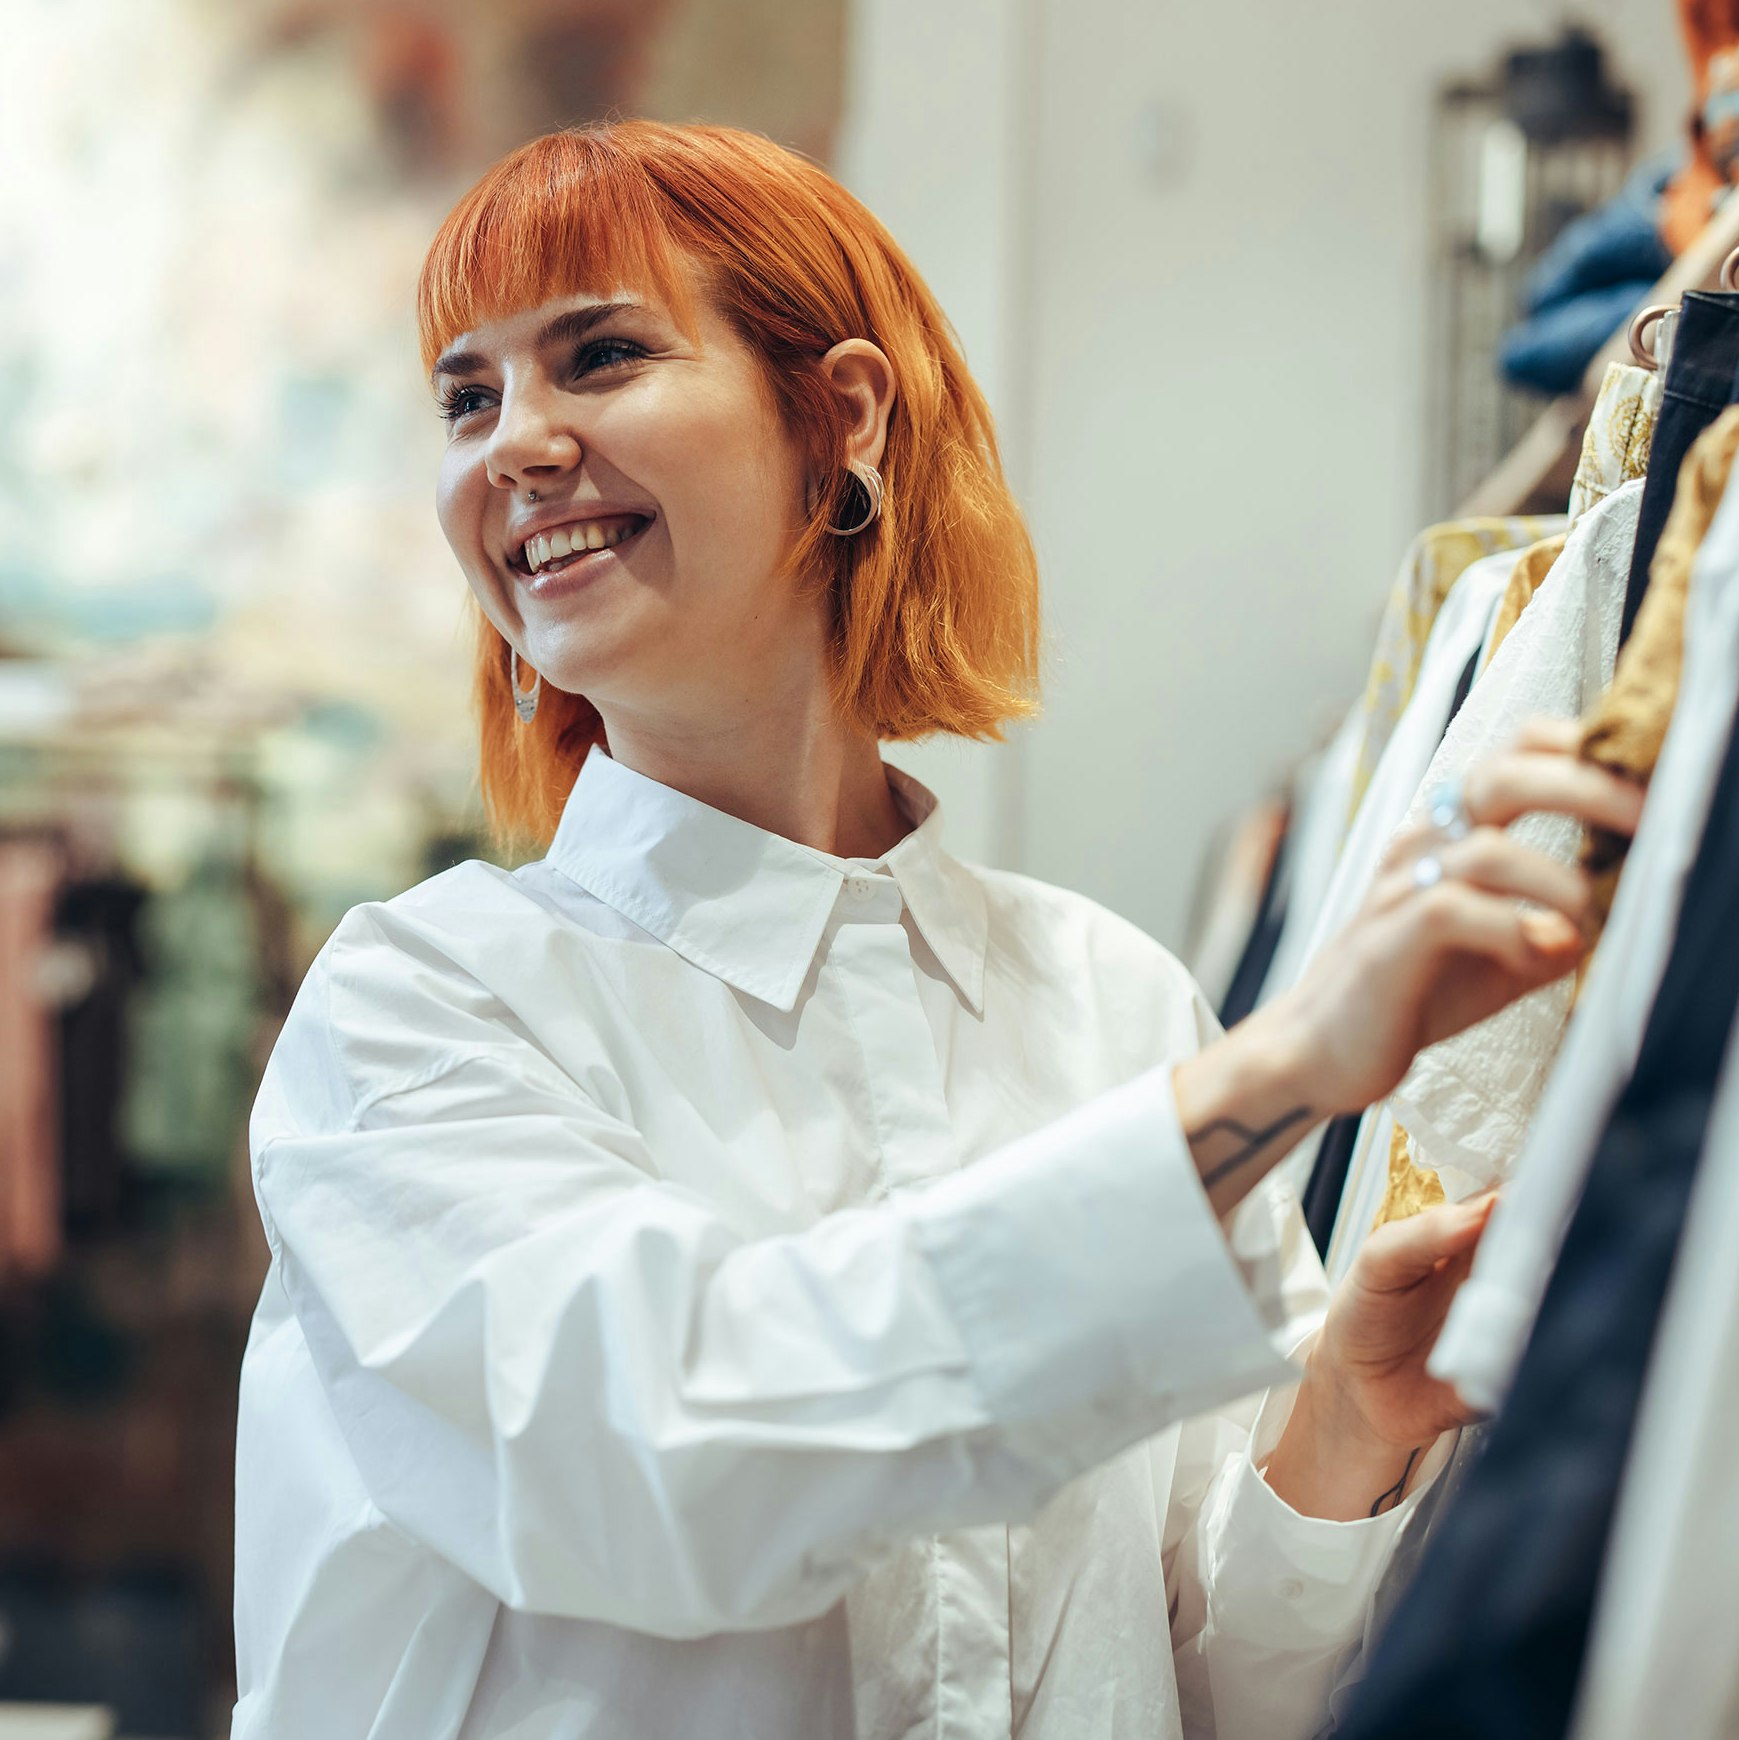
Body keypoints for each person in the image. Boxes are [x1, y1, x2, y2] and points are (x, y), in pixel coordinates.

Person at [231, 122, 1642, 1739]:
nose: (515, 446)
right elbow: (682, 1460)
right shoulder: (419, 1009)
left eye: (598, 356)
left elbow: (1207, 1685)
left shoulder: (1113, 1000)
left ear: (842, 415)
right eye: (467, 398)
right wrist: (1289, 1074)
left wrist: (1344, 1428)